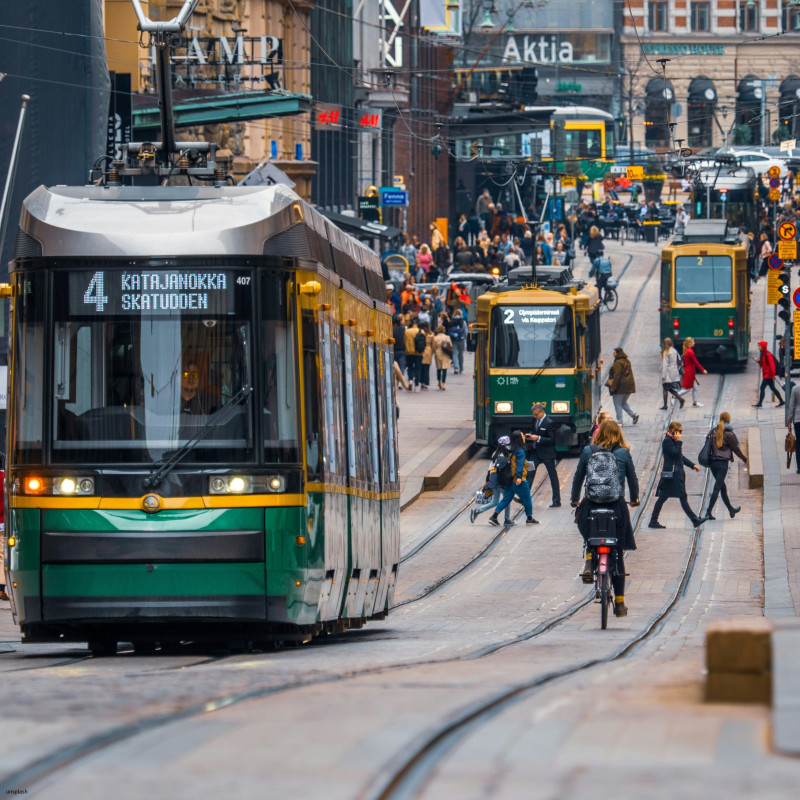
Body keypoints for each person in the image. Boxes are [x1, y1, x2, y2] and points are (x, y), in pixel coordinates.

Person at [570, 419, 639, 615]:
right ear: (619, 435)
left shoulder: (588, 451)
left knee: (586, 529)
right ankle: (619, 603)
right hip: (616, 506)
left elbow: (578, 477)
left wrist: (575, 499)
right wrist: (634, 498)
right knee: (616, 552)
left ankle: (590, 557)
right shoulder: (623, 453)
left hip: (591, 504)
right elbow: (632, 479)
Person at [648, 421, 709, 529]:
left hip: (674, 474)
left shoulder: (672, 441)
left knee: (663, 497)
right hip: (673, 475)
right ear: (673, 431)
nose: (680, 434)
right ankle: (694, 520)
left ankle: (653, 521)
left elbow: (680, 457)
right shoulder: (667, 441)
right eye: (679, 431)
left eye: (681, 431)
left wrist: (692, 465)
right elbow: (675, 453)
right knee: (681, 497)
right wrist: (679, 442)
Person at [488, 430, 538, 526]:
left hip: (509, 479)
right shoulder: (520, 451)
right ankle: (529, 518)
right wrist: (519, 477)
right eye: (523, 436)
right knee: (527, 498)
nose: (524, 437)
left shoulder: (510, 449)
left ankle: (494, 516)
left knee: (506, 499)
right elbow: (519, 464)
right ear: (519, 439)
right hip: (519, 480)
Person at [703, 411, 747, 519]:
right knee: (717, 488)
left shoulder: (713, 431)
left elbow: (706, 444)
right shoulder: (729, 434)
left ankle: (731, 510)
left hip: (713, 463)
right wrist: (744, 458)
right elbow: (736, 449)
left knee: (722, 487)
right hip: (722, 464)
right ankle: (708, 512)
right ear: (729, 420)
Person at [470, 436, 515, 525]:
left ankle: (477, 511)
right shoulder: (504, 455)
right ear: (505, 445)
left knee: (495, 501)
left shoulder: (495, 453)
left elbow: (490, 468)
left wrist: (487, 480)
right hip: (500, 480)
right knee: (507, 499)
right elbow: (503, 470)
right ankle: (507, 519)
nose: (509, 446)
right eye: (508, 444)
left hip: (493, 480)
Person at [524, 402, 561, 507]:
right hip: (535, 452)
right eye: (534, 414)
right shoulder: (534, 420)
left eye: (536, 414)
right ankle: (525, 498)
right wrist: (530, 435)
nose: (534, 416)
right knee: (529, 474)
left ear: (542, 412)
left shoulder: (549, 423)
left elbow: (552, 440)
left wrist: (538, 438)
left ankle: (556, 500)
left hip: (547, 454)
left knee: (553, 476)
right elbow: (533, 430)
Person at [605, 347, 639, 425]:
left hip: (621, 387)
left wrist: (613, 386)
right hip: (629, 386)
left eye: (614, 352)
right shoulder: (627, 361)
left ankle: (619, 421)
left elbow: (616, 376)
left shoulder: (618, 363)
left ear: (617, 353)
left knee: (617, 403)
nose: (613, 354)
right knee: (623, 403)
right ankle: (634, 415)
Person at [753, 339, 784, 407]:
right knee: (773, 388)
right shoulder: (763, 354)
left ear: (763, 346)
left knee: (762, 388)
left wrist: (773, 375)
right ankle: (781, 401)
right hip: (767, 375)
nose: (759, 348)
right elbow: (763, 365)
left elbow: (772, 365)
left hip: (768, 375)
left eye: (759, 346)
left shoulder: (768, 354)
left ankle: (760, 403)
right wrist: (758, 361)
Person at [679, 337, 707, 407]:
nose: (694, 343)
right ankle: (675, 395)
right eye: (693, 341)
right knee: (687, 389)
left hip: (689, 372)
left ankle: (695, 402)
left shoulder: (687, 350)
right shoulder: (690, 351)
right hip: (689, 372)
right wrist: (703, 370)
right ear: (690, 343)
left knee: (695, 387)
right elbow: (696, 362)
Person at [660, 337, 685, 409]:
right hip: (674, 371)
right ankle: (680, 399)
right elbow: (679, 360)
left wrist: (663, 375)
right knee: (669, 388)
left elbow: (665, 364)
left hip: (667, 372)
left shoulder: (666, 352)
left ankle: (665, 405)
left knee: (665, 388)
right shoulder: (674, 351)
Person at [404, 318, 423, 391]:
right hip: (419, 353)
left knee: (410, 367)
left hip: (409, 352)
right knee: (418, 368)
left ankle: (410, 380)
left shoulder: (407, 332)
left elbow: (404, 341)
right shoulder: (421, 331)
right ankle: (417, 385)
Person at [433, 324, 453, 390]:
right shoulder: (447, 337)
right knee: (444, 369)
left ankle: (439, 381)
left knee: (439, 368)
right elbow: (450, 345)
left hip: (438, 353)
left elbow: (433, 347)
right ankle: (443, 383)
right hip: (445, 353)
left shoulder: (435, 338)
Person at [449, 309, 468, 374]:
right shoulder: (463, 322)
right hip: (461, 339)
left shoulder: (452, 321)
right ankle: (461, 367)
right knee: (460, 354)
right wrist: (466, 339)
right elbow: (465, 332)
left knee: (455, 353)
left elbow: (449, 330)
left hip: (454, 339)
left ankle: (456, 367)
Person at [788, 381, 800, 473]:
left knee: (799, 444)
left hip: (798, 420)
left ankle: (799, 467)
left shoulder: (795, 389)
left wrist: (789, 422)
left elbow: (792, 406)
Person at [419, 321, 435, 390]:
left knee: (420, 368)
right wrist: (432, 351)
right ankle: (425, 383)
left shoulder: (420, 333)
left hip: (421, 351)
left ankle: (421, 382)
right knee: (426, 368)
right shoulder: (431, 334)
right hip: (428, 351)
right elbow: (433, 345)